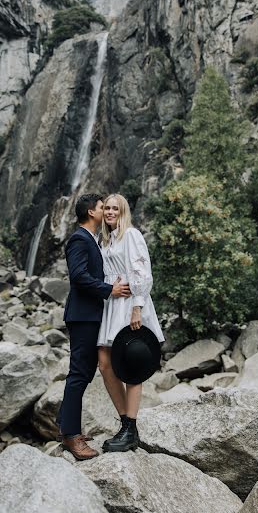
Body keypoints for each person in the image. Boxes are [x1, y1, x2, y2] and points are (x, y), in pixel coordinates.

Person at [57, 193, 131, 460]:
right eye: (102, 207)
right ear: (91, 212)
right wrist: (109, 290)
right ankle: (71, 436)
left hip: (89, 315)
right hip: (83, 315)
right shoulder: (79, 238)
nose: (106, 211)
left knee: (83, 372)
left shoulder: (93, 240)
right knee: (79, 374)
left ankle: (63, 424)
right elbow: (78, 277)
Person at [98, 193, 164, 452]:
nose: (111, 212)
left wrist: (137, 306)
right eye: (107, 208)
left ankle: (130, 428)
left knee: (132, 361)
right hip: (112, 303)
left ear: (123, 212)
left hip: (129, 304)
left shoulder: (131, 235)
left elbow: (142, 271)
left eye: (116, 208)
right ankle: (126, 422)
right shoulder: (106, 239)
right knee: (105, 364)